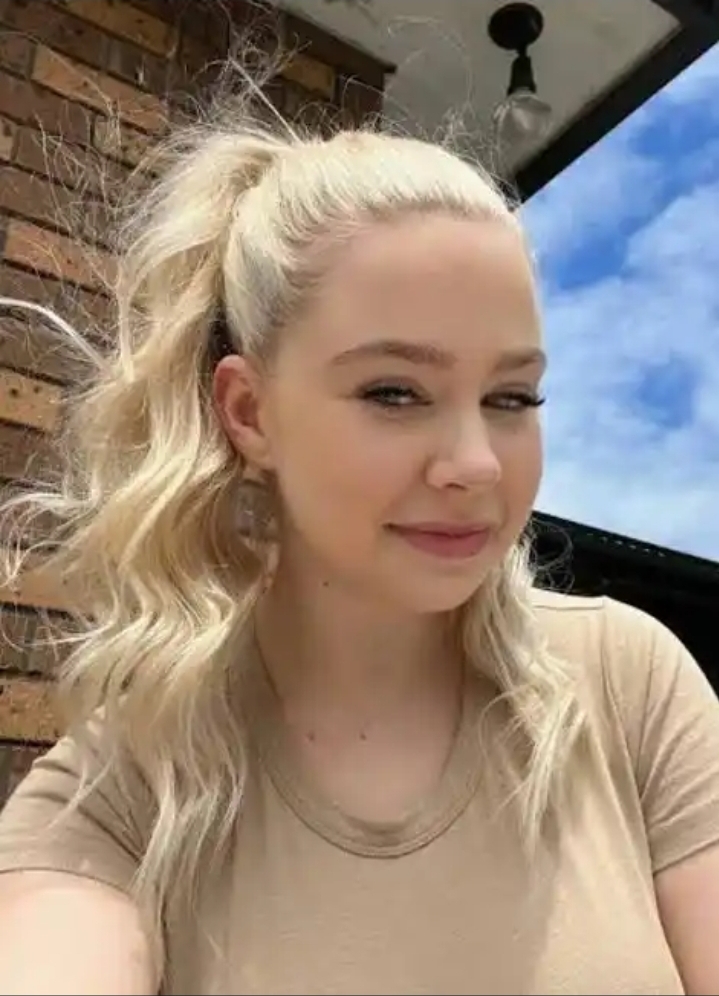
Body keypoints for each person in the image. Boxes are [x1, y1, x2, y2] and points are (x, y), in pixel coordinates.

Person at [0, 68, 719, 996]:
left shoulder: (627, 685)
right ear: (249, 412)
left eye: (511, 397)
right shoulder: (125, 790)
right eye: (394, 392)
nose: (476, 463)